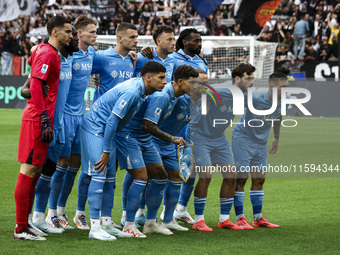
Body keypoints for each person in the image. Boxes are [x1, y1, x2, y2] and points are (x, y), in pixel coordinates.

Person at [81, 61, 167, 240]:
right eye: (161, 78)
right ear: (148, 78)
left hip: (107, 132)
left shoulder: (141, 91)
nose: (165, 82)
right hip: (95, 128)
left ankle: (106, 223)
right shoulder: (133, 92)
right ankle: (95, 227)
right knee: (99, 174)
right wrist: (106, 151)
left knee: (110, 178)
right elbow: (112, 120)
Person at [116, 65, 198, 237]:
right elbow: (148, 124)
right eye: (193, 83)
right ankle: (129, 220)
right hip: (134, 137)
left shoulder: (177, 97)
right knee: (139, 176)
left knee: (163, 177)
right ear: (181, 82)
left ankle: (153, 221)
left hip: (151, 140)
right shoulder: (162, 95)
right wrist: (172, 138)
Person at [14, 16, 72, 241]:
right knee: (28, 171)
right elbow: (36, 84)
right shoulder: (48, 53)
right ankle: (20, 228)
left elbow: (32, 67)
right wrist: (44, 118)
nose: (70, 36)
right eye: (67, 32)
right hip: (38, 119)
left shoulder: (45, 51)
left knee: (36, 171)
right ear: (55, 32)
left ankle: (26, 222)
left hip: (40, 118)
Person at [44, 15, 97, 232]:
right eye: (92, 32)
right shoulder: (65, 54)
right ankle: (50, 212)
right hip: (63, 115)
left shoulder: (92, 53)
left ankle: (62, 210)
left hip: (80, 115)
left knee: (74, 166)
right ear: (79, 34)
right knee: (60, 165)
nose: (96, 35)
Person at [121, 24, 176, 227]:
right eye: (169, 39)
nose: (173, 43)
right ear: (158, 41)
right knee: (136, 171)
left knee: (153, 173)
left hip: (157, 120)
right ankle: (129, 213)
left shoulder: (175, 60)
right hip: (137, 121)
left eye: (174, 39)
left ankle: (147, 216)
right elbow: (127, 78)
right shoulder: (142, 57)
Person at [190, 63, 255, 232]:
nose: (252, 82)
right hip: (199, 135)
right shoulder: (223, 90)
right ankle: (199, 220)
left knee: (232, 175)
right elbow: (200, 92)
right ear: (237, 79)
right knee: (205, 176)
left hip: (219, 137)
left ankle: (224, 219)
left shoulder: (246, 95)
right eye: (249, 78)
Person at [232, 72, 289, 229]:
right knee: (241, 178)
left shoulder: (286, 101)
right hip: (243, 137)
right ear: (272, 86)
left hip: (261, 142)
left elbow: (278, 117)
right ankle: (240, 218)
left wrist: (276, 137)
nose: (286, 91)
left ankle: (257, 218)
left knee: (259, 178)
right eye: (283, 88)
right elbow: (233, 100)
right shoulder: (255, 96)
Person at [173, 28, 208, 224]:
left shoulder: (201, 61)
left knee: (191, 166)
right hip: (176, 119)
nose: (200, 43)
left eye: (200, 40)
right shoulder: (173, 58)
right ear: (185, 42)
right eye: (196, 40)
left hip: (195, 119)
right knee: (172, 167)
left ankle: (181, 209)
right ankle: (162, 212)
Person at [91, 22, 138, 103]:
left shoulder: (134, 59)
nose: (136, 41)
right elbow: (82, 71)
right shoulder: (102, 56)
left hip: (121, 111)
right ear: (120, 38)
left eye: (136, 37)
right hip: (102, 113)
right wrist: (95, 77)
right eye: (132, 37)